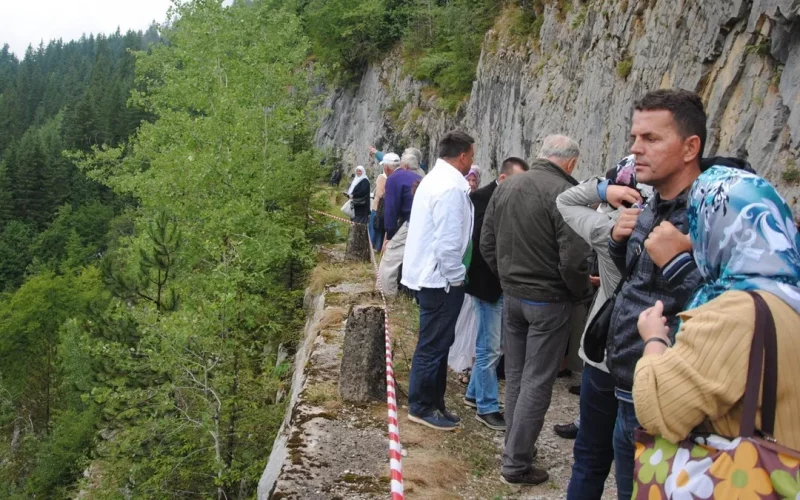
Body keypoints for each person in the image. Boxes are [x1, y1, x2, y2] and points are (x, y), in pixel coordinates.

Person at [606, 89, 753, 499]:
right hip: (627, 381)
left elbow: (736, 309)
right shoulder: (652, 202)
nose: (636, 149)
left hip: (674, 394)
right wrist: (621, 246)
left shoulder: (717, 215)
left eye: (651, 139)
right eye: (635, 138)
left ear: (691, 147)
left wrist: (677, 263)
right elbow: (640, 281)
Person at [633, 165, 800, 451]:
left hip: (746, 478)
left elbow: (659, 409)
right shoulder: (788, 292)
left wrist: (655, 340)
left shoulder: (735, 311)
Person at [482, 135, 593, 486]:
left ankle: (516, 449)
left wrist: (506, 278)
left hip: (513, 297)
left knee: (516, 378)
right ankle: (515, 463)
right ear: (571, 163)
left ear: (542, 155)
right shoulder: (565, 195)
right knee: (536, 382)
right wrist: (578, 293)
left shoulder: (507, 187)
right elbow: (574, 259)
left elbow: (487, 241)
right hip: (548, 301)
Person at [556, 155, 649, 499]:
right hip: (651, 362)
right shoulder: (677, 236)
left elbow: (566, 200)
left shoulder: (607, 228)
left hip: (603, 354)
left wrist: (602, 190)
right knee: (640, 468)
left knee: (590, 458)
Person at [402, 130, 476, 431]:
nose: (472, 160)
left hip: (432, 277)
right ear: (462, 156)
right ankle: (420, 406)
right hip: (441, 280)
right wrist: (457, 277)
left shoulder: (437, 180)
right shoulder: (449, 188)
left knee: (440, 343)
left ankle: (435, 403)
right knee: (433, 345)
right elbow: (447, 244)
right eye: (472, 155)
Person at [462, 157, 529, 431]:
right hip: (487, 283)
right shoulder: (480, 200)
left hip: (499, 282)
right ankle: (486, 406)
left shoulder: (507, 199)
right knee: (489, 347)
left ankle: (472, 394)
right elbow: (483, 247)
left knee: (492, 344)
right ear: (503, 179)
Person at [376, 152, 422, 298]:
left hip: (411, 221)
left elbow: (391, 209)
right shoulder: (416, 176)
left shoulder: (393, 179)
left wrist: (389, 236)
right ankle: (408, 293)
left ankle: (387, 296)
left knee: (390, 258)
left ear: (388, 168)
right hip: (422, 221)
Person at [369, 154, 399, 251]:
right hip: (379, 207)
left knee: (379, 228)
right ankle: (374, 247)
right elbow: (380, 193)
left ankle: (376, 247)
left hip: (381, 208)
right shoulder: (382, 177)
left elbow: (380, 193)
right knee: (377, 227)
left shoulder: (384, 178)